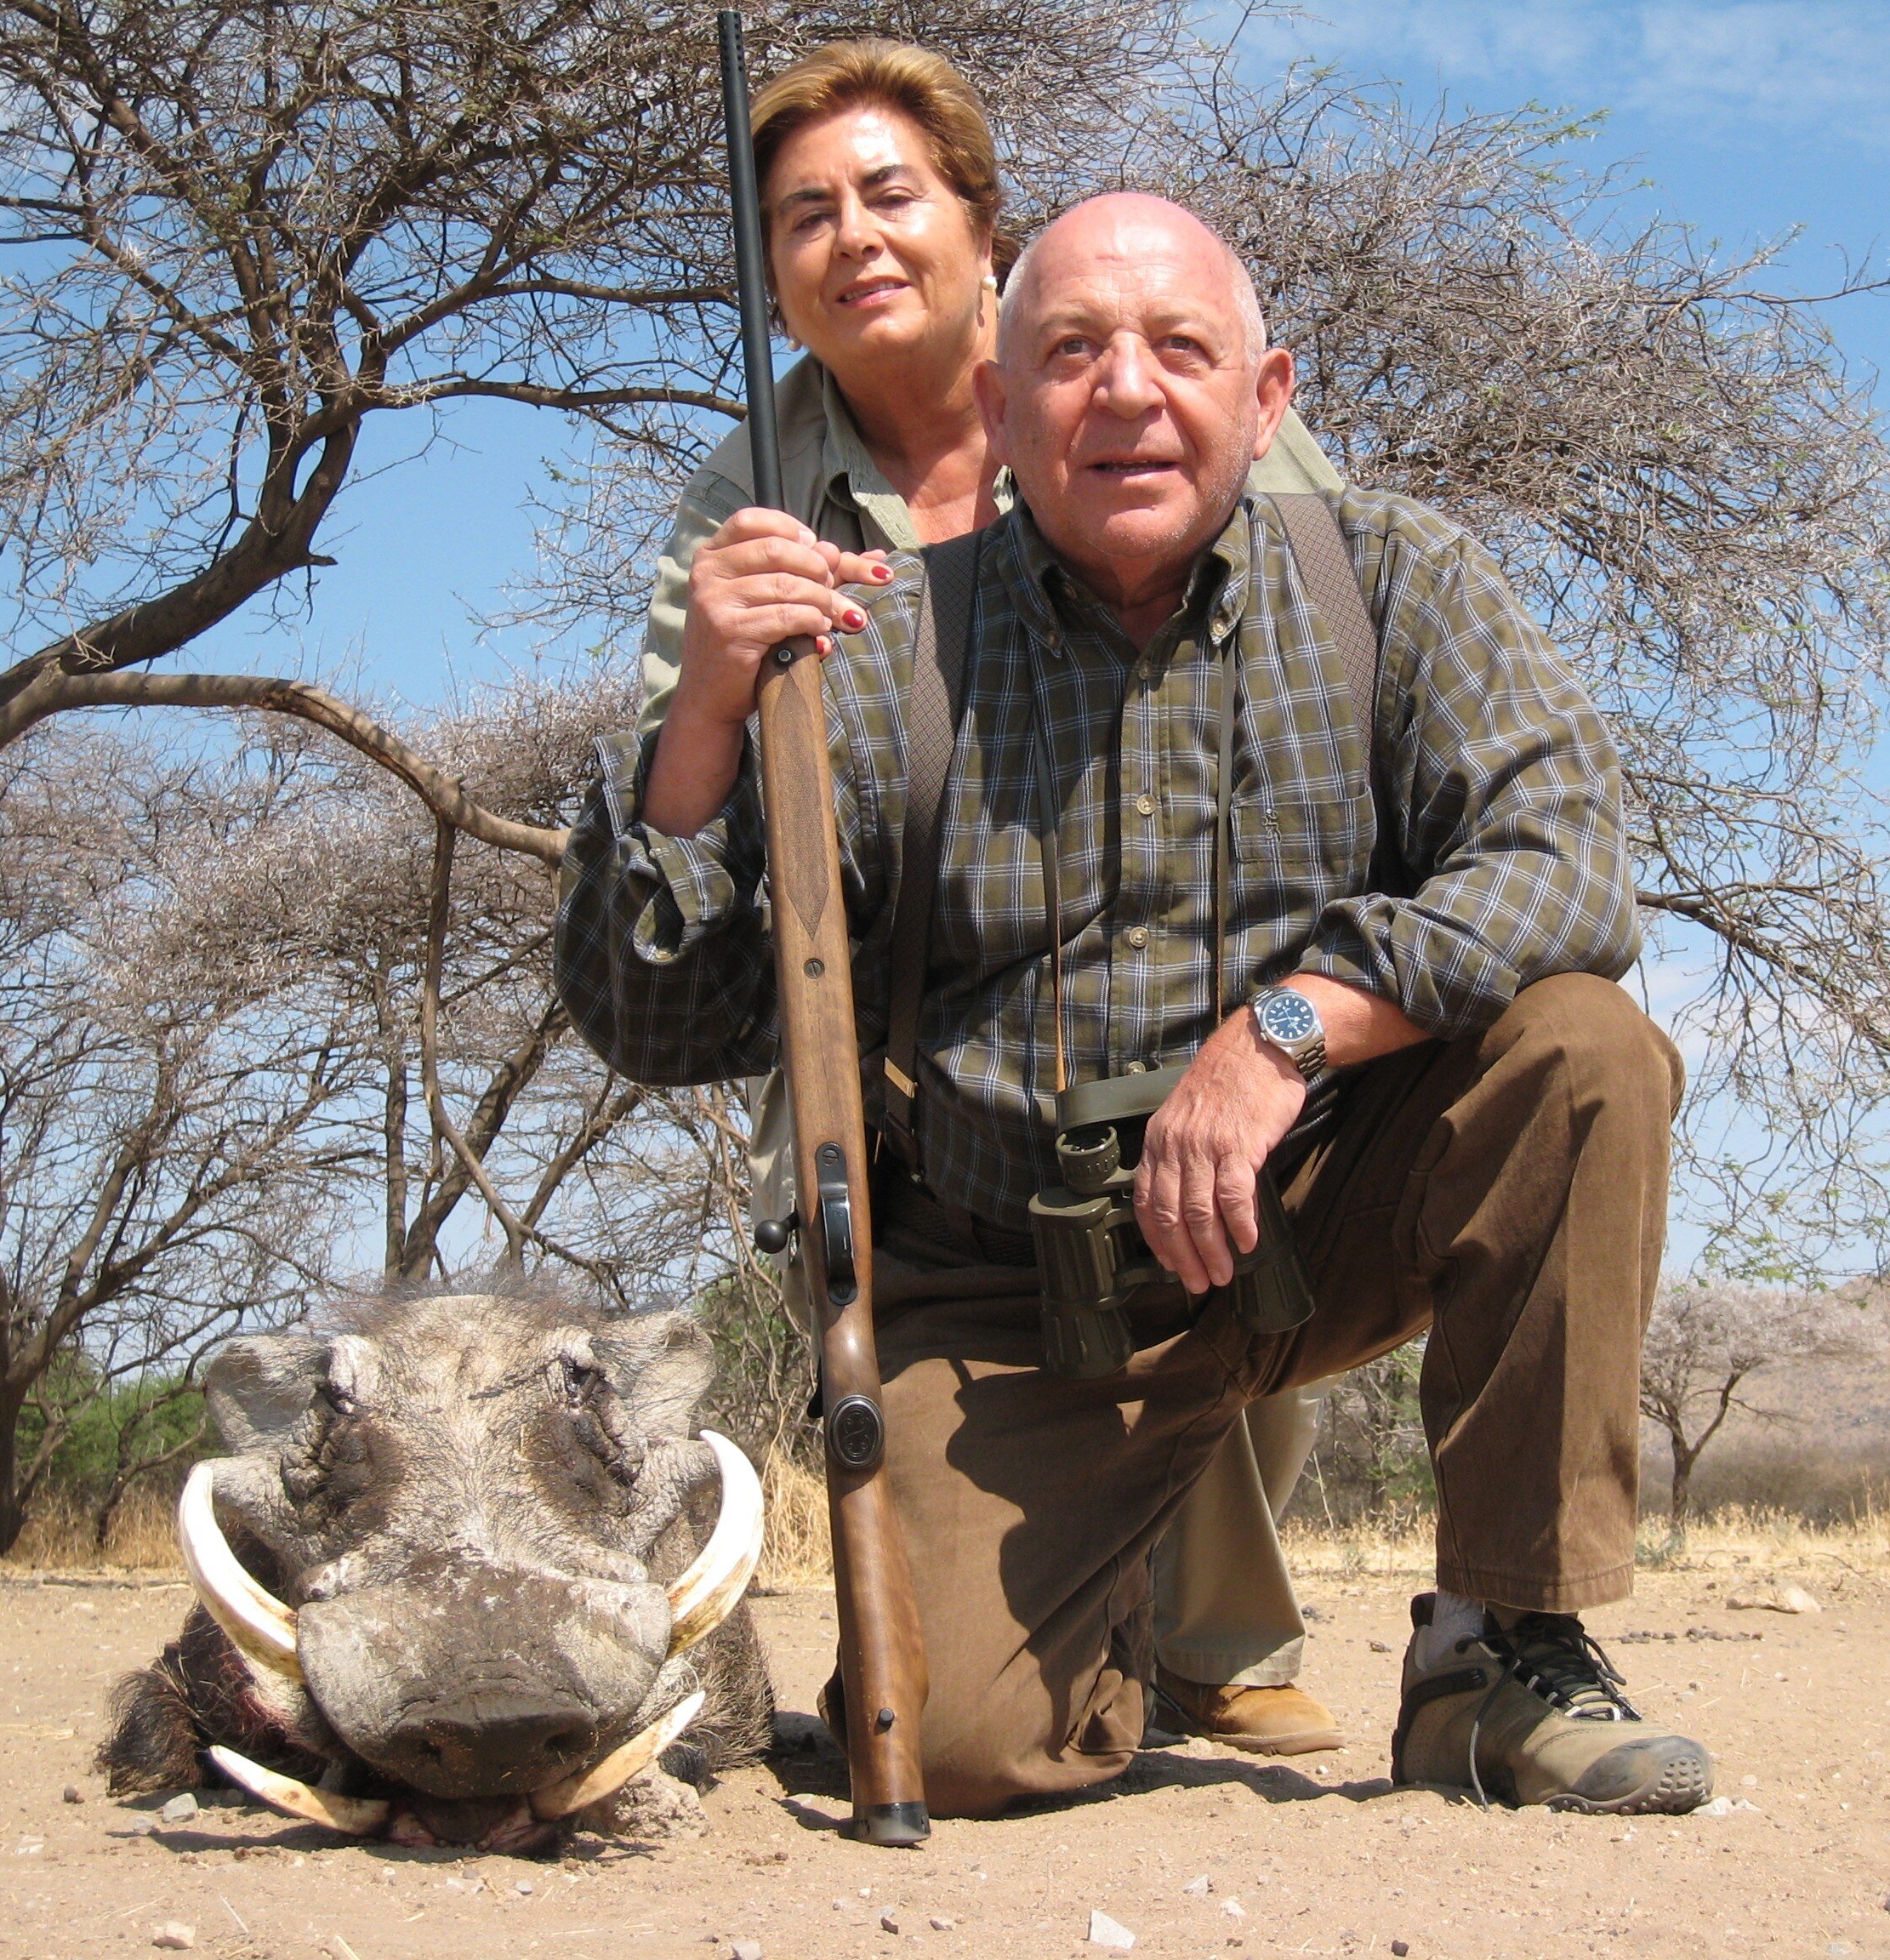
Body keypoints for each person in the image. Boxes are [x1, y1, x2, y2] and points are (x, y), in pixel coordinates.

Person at [558, 188, 1713, 1818]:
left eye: (1183, 348)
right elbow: (671, 1028)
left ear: (1271, 393)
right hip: (1014, 1293)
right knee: (955, 1752)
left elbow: (1570, 864)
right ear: (998, 407)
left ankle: (1502, 1649)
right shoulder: (874, 658)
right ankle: (1091, 1624)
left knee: (1586, 1048)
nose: (1128, 392)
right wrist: (700, 722)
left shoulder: (1398, 578)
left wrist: (1288, 1030)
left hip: (1310, 1220)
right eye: (1074, 353)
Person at [635, 38, 1346, 1758]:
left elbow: (1313, 632)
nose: (854, 239)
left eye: (893, 194)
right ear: (768, 264)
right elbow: (690, 805)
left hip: (1204, 929)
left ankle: (1229, 1642)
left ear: (980, 223)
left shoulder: (1127, 380)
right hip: (933, 1000)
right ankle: (1040, 1635)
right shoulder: (743, 497)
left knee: (1194, 1156)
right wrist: (718, 684)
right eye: (802, 214)